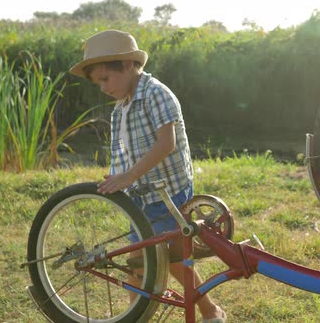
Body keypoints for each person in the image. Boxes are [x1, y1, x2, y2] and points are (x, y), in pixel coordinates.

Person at [69, 29, 226, 323]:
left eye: (105, 79)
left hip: (167, 191)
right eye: (97, 83)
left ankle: (209, 310)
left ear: (127, 65)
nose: (102, 88)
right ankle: (137, 316)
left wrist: (128, 176)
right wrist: (117, 177)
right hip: (138, 195)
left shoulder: (157, 94)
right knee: (138, 262)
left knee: (174, 260)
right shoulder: (121, 108)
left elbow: (166, 143)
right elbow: (123, 152)